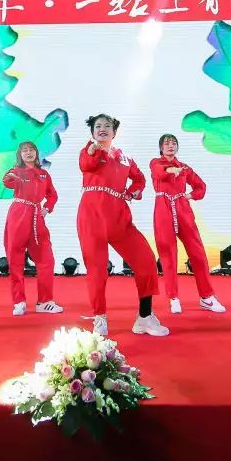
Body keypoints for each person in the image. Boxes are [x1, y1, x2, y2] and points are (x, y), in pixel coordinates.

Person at [78, 114, 168, 337]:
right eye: (98, 126)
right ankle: (100, 317)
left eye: (107, 126)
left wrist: (131, 192)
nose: (102, 129)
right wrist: (93, 150)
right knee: (97, 270)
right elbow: (86, 164)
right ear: (92, 132)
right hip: (91, 218)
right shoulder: (89, 151)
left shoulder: (125, 158)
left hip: (119, 218)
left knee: (146, 260)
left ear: (114, 132)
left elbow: (140, 180)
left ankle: (144, 317)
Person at [149, 134, 225, 314]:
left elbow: (201, 186)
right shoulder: (155, 163)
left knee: (198, 253)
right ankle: (173, 297)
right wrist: (171, 170)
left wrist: (189, 195)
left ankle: (206, 297)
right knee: (168, 255)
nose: (170, 146)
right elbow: (159, 172)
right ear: (161, 148)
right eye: (166, 143)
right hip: (163, 209)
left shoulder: (184, 168)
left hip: (183, 209)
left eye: (174, 143)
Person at [1, 141, 63, 316]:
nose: (28, 153)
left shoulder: (44, 174)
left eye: (31, 150)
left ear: (36, 153)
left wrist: (47, 208)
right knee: (15, 259)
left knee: (46, 259)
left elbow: (52, 195)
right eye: (25, 151)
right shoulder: (16, 171)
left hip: (37, 217)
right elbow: (7, 182)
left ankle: (45, 301)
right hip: (19, 214)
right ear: (20, 155)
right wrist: (11, 177)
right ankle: (19, 301)